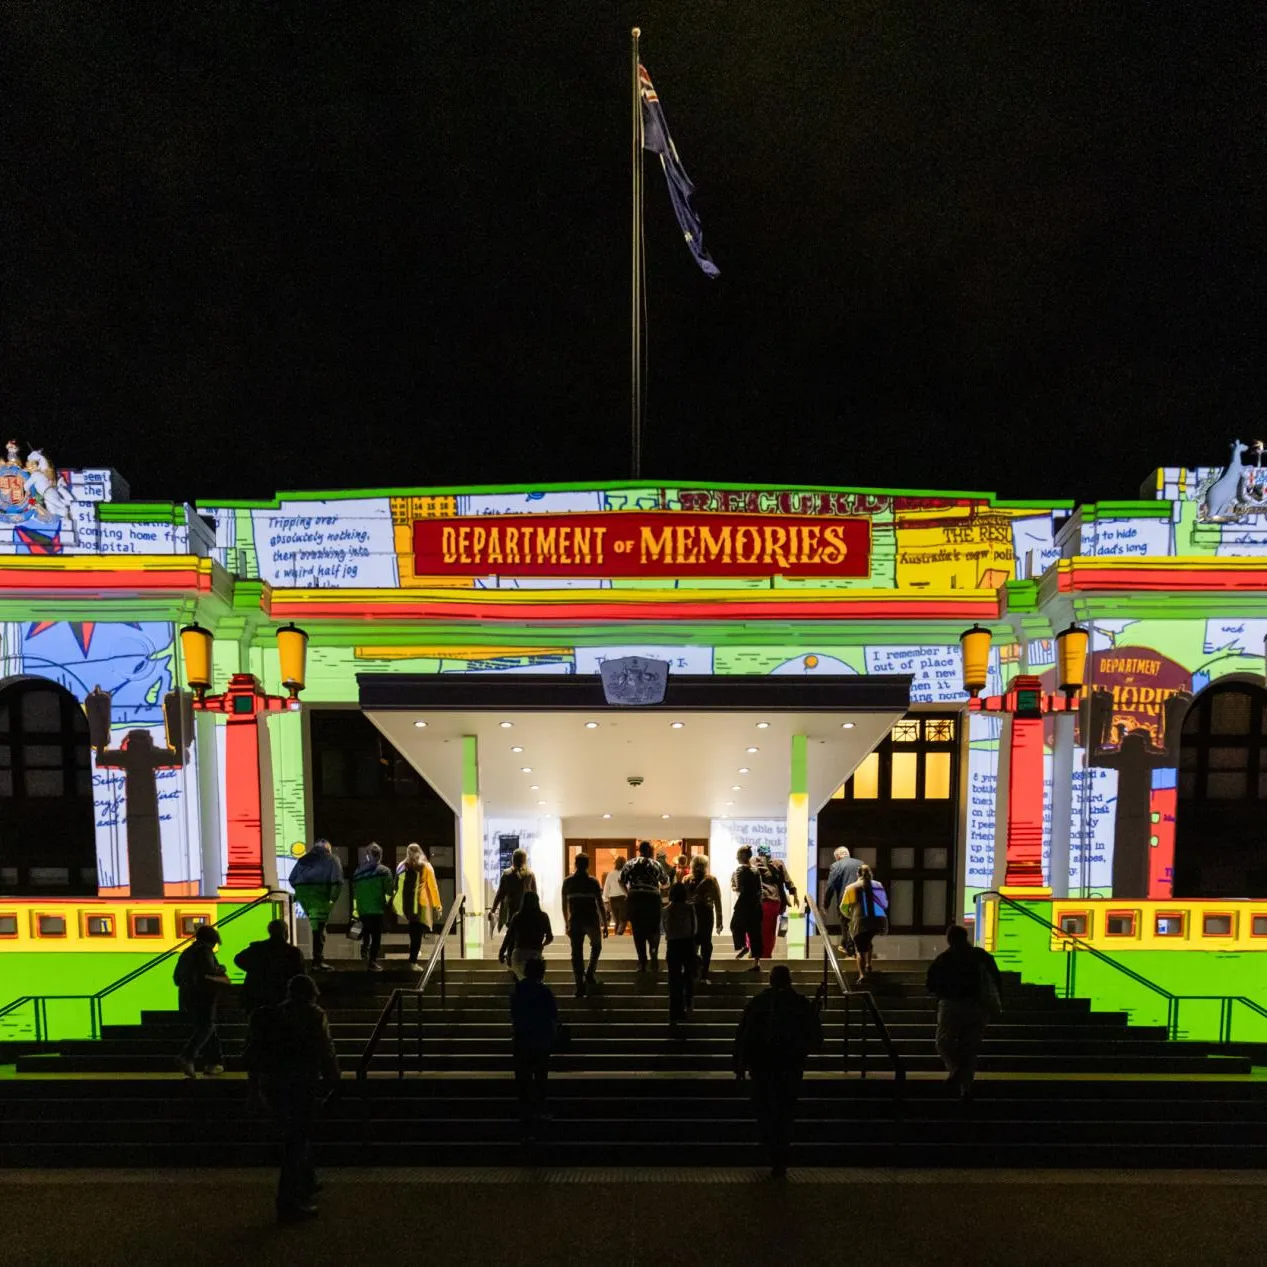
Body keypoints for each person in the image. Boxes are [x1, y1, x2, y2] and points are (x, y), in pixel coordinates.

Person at [244, 973, 341, 1223]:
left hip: (274, 1084)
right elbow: (325, 1049)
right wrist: (333, 1081)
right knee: (297, 1140)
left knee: (294, 1136)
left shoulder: (267, 1017)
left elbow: (252, 1054)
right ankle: (288, 1201)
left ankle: (306, 1182)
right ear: (312, 993)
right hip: (302, 1083)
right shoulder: (314, 1014)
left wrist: (255, 1089)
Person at [734, 964, 824, 1178]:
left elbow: (744, 1033)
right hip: (789, 1066)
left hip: (763, 1066)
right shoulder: (799, 1004)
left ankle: (771, 1148)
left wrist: (739, 1061)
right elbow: (814, 1036)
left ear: (770, 981)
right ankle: (780, 1155)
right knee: (785, 1111)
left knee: (765, 1108)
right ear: (789, 981)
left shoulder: (759, 1003)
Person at [927, 924, 1004, 1099]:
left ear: (949, 939)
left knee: (943, 1042)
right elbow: (996, 979)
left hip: (951, 1006)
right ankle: (966, 1089)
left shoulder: (944, 959)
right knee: (970, 1048)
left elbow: (931, 984)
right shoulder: (980, 956)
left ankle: (956, 1070)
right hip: (978, 1006)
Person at [174, 924, 231, 1078]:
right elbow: (208, 973)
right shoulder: (204, 952)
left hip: (187, 996)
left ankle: (215, 1062)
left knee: (207, 1028)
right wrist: (221, 971)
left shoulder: (187, 952)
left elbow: (177, 977)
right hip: (204, 996)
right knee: (207, 1027)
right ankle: (188, 1056)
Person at [509, 956, 558, 1133]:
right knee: (540, 1078)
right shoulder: (544, 992)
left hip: (522, 1039)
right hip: (540, 1040)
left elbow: (514, 1013)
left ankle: (525, 1112)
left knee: (523, 1078)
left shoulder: (518, 990)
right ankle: (539, 1110)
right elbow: (552, 1016)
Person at [288, 839, 344, 971]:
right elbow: (337, 881)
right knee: (319, 928)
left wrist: (301, 892)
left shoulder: (303, 859)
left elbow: (292, 879)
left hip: (304, 895)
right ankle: (317, 962)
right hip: (319, 895)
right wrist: (332, 899)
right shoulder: (332, 859)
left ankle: (317, 960)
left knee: (316, 926)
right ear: (327, 849)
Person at [234, 918, 304, 1014]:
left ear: (269, 931)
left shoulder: (257, 948)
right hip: (282, 995)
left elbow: (238, 959)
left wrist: (254, 970)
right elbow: (300, 974)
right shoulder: (293, 952)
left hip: (258, 995)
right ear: (285, 932)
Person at [561, 853, 607, 997]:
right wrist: (604, 923)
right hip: (591, 920)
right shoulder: (593, 882)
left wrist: (566, 922)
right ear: (588, 865)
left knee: (576, 953)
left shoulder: (568, 882)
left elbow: (564, 905)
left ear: (575, 864)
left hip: (575, 921)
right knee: (597, 946)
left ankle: (580, 985)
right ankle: (590, 973)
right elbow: (600, 904)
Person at [393, 842, 443, 970]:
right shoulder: (426, 866)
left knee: (413, 929)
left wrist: (396, 904)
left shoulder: (402, 866)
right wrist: (437, 906)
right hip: (421, 904)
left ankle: (413, 953)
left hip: (408, 905)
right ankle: (413, 960)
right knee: (417, 932)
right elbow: (433, 887)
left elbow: (396, 886)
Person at [621, 841, 667, 970]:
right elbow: (665, 882)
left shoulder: (630, 863)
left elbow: (621, 880)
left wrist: (628, 892)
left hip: (636, 898)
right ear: (650, 851)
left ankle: (642, 961)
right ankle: (654, 955)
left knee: (638, 930)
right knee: (654, 929)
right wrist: (657, 888)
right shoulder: (655, 864)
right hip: (652, 897)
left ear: (639, 850)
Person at [352, 843, 396, 972]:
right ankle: (372, 962)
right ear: (380, 856)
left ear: (368, 856)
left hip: (362, 908)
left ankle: (364, 953)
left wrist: (356, 909)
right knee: (376, 936)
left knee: (366, 931)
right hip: (376, 908)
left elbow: (355, 892)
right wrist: (386, 900)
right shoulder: (384, 871)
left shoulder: (358, 872)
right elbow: (389, 890)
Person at [842, 863, 888, 981]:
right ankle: (868, 965)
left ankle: (862, 974)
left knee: (860, 949)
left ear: (858, 874)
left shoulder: (852, 887)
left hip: (861, 921)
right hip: (878, 920)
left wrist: (850, 915)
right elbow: (885, 903)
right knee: (868, 940)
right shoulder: (878, 885)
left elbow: (844, 907)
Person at [754, 844, 799, 960]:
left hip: (760, 900)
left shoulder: (753, 862)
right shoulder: (778, 863)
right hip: (774, 901)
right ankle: (767, 954)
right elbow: (787, 880)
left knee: (756, 928)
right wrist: (794, 894)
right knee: (770, 930)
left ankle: (756, 953)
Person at [684, 855, 724, 982]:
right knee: (706, 944)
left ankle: (691, 972)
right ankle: (703, 974)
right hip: (706, 914)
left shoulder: (686, 879)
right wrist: (719, 921)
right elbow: (717, 900)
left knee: (692, 945)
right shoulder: (711, 880)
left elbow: (682, 899)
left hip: (690, 914)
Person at [663, 882, 697, 1029]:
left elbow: (664, 928)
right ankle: (688, 1003)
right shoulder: (689, 908)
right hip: (687, 943)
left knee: (674, 980)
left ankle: (674, 1014)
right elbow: (695, 927)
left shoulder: (666, 910)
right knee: (688, 976)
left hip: (673, 944)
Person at [499, 890, 554, 979]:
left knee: (522, 978)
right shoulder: (543, 917)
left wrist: (502, 952)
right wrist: (542, 944)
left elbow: (508, 937)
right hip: (535, 954)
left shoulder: (518, 917)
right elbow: (550, 937)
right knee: (534, 979)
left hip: (519, 954)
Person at [730, 847, 764, 972]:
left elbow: (739, 888)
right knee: (755, 934)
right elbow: (760, 889)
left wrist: (734, 886)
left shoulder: (739, 870)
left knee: (735, 925)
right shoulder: (756, 870)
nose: (737, 857)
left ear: (743, 856)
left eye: (738, 855)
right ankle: (756, 963)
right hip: (755, 905)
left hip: (743, 904)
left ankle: (743, 945)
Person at [822, 846, 862, 953]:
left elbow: (830, 886)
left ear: (838, 857)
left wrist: (825, 904)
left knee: (846, 923)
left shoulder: (836, 866)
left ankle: (850, 948)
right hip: (862, 900)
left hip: (846, 900)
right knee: (858, 923)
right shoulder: (861, 864)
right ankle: (853, 946)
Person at [490, 848, 537, 932]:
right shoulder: (530, 874)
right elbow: (535, 895)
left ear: (513, 859)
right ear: (525, 859)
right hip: (526, 911)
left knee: (512, 932)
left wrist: (493, 909)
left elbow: (500, 894)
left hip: (511, 910)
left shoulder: (507, 874)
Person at [602, 856, 628, 934]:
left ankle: (617, 937)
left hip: (613, 899)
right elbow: (628, 886)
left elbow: (606, 888)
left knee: (617, 921)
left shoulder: (610, 874)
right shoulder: (625, 874)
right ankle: (619, 935)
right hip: (623, 899)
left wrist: (606, 900)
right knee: (623, 920)